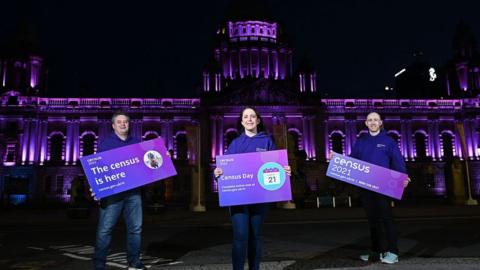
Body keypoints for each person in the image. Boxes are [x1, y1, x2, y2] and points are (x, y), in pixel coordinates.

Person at [214, 106, 291, 270]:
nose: (249, 119)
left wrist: (285, 171)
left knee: (255, 236)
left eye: (252, 116)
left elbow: (276, 166)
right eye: (246, 117)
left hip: (259, 198)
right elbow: (225, 168)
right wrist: (218, 171)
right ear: (242, 122)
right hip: (238, 200)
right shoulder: (235, 143)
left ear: (258, 120)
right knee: (240, 235)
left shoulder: (267, 141)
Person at [349, 112, 410, 264]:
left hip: (383, 185)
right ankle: (377, 252)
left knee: (386, 219)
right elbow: (351, 161)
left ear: (381, 122)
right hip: (365, 186)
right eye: (370, 120)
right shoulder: (360, 141)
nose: (373, 122)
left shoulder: (388, 141)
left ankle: (393, 252)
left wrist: (404, 175)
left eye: (376, 120)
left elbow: (397, 160)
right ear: (366, 123)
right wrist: (335, 159)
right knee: (372, 220)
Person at [91, 111, 146, 270]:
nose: (123, 124)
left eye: (126, 122)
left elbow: (147, 165)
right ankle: (100, 264)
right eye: (119, 122)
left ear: (129, 124)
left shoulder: (137, 143)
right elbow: (98, 169)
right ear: (113, 125)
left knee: (135, 229)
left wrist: (164, 156)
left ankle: (134, 262)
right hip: (112, 193)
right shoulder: (105, 144)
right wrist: (96, 188)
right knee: (105, 230)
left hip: (133, 193)